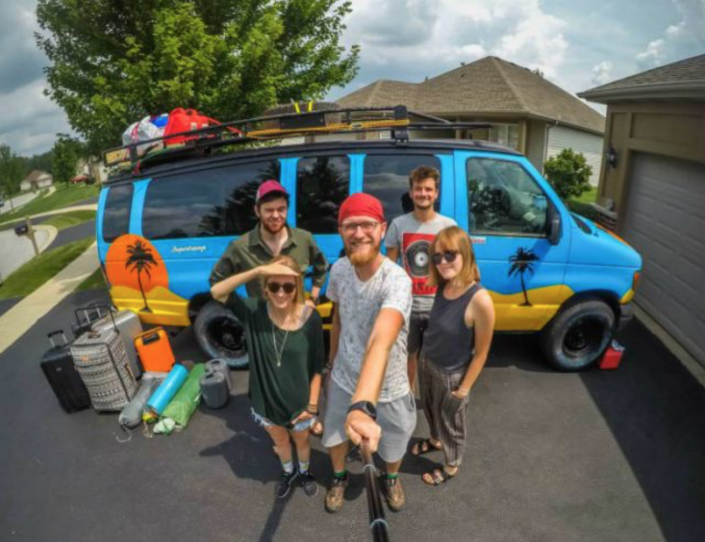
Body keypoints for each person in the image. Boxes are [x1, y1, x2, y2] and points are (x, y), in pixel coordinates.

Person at [321, 192, 415, 513]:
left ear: (382, 229)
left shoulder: (398, 281)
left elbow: (381, 340)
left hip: (390, 385)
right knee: (334, 435)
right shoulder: (338, 271)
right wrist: (331, 364)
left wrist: (362, 405)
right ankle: (339, 477)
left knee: (394, 441)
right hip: (343, 376)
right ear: (340, 232)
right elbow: (337, 319)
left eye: (367, 225)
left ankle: (392, 478)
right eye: (350, 226)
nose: (358, 233)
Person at [211, 255, 325, 499]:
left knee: (302, 443)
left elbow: (318, 366)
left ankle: (304, 472)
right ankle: (288, 471)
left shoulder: (311, 319)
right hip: (266, 404)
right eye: (274, 286)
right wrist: (258, 270)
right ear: (265, 288)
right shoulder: (254, 311)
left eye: (288, 287)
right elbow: (217, 291)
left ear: (297, 287)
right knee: (281, 443)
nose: (281, 293)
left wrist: (312, 407)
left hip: (300, 406)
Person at [410, 226, 495, 486]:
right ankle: (435, 440)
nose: (442, 262)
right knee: (431, 411)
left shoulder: (480, 300)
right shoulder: (443, 286)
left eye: (450, 254)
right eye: (437, 256)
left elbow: (481, 353)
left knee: (452, 423)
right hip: (428, 362)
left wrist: (463, 390)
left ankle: (451, 464)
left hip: (452, 375)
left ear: (465, 254)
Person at [385, 166, 456, 390]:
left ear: (436, 193)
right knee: (407, 356)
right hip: (408, 306)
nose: (423, 193)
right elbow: (390, 268)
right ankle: (408, 397)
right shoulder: (398, 224)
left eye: (428, 189)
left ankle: (433, 397)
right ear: (411, 192)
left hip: (439, 305)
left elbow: (456, 268)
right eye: (418, 189)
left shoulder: (448, 226)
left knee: (437, 359)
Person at [209, 180, 328, 303]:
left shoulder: (304, 239)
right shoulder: (240, 246)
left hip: (297, 314)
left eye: (281, 209)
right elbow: (216, 282)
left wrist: (313, 298)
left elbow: (322, 267)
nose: (276, 215)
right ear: (257, 211)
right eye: (269, 210)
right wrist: (242, 307)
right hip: (261, 315)